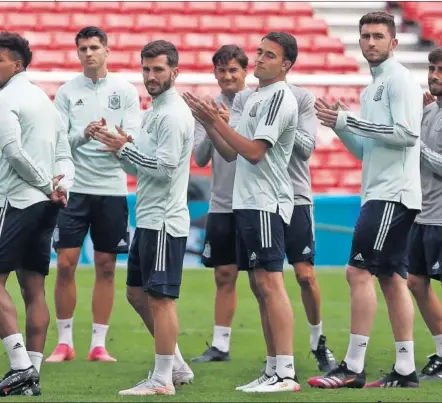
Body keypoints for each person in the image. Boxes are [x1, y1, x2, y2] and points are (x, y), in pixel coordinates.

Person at [308, 12, 422, 389]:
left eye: (378, 36)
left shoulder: (400, 80)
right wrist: (340, 125)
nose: (370, 42)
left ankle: (353, 365)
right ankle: (405, 369)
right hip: (381, 191)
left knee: (357, 272)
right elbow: (366, 150)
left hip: (393, 193)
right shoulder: (370, 88)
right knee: (391, 278)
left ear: (393, 42)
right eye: (365, 36)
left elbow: (407, 135)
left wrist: (351, 120)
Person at [184, 31, 301, 393]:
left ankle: (286, 371)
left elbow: (253, 151)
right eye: (260, 52)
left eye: (269, 55)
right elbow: (229, 153)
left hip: (266, 200)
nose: (261, 58)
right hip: (245, 201)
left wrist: (215, 121)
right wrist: (208, 122)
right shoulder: (255, 99)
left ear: (285, 64)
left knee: (270, 282)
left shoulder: (280, 97)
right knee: (258, 284)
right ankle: (272, 368)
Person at [93, 40, 195, 396]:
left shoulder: (172, 114)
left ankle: (163, 378)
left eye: (158, 70)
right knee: (137, 294)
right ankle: (177, 365)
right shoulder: (153, 112)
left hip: (166, 221)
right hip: (149, 217)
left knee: (160, 299)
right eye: (146, 69)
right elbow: (141, 163)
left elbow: (166, 169)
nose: (151, 76)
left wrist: (125, 148)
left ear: (174, 72)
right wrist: (117, 147)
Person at [46, 26, 140, 363]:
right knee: (67, 264)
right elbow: (57, 141)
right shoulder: (68, 92)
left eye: (94, 47)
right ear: (77, 53)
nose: (89, 53)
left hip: (112, 189)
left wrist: (118, 139)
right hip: (75, 188)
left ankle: (99, 344)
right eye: (83, 48)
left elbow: (135, 137)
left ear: (107, 50)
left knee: (106, 265)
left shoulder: (125, 91)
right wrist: (83, 135)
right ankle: (65, 342)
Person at [231, 83, 336, 372]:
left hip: (296, 195)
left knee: (304, 275)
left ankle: (317, 341)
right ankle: (275, 358)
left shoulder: (299, 97)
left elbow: (306, 147)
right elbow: (232, 146)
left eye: (269, 54)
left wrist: (273, 125)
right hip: (261, 197)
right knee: (260, 282)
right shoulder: (245, 98)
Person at [0, 31, 74, 396]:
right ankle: (33, 376)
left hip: (15, 201)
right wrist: (61, 187)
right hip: (46, 206)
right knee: (34, 288)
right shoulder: (47, 102)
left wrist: (47, 184)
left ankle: (19, 367)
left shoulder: (7, 98)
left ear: (16, 64)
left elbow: (12, 150)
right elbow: (65, 154)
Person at [191, 45, 253, 363]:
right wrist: (210, 122)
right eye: (221, 70)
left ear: (246, 71)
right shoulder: (208, 107)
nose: (227, 76)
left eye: (233, 70)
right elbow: (200, 157)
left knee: (263, 278)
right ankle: (221, 345)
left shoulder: (258, 104)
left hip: (255, 202)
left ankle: (280, 353)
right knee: (224, 275)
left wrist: (228, 124)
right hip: (222, 203)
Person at [407, 47, 442, 380]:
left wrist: (416, 142)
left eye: (441, 70)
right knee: (416, 282)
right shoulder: (430, 113)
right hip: (423, 215)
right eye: (432, 68)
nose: (434, 75)